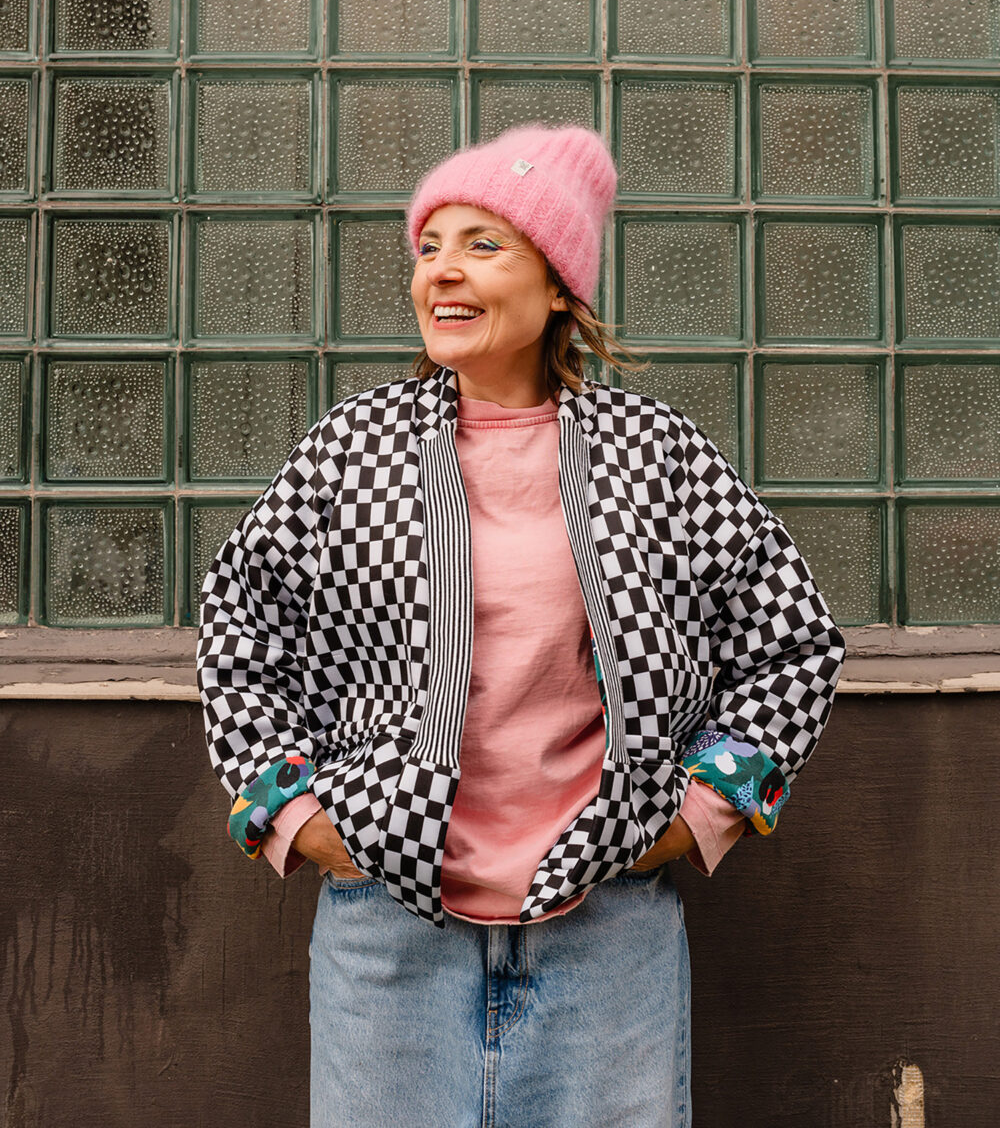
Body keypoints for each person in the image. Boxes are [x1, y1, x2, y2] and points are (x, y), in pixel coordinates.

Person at [197, 123, 845, 1128]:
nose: (442, 269)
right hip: (388, 932)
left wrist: (700, 814)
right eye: (429, 246)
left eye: (483, 244)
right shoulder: (351, 451)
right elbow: (240, 623)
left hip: (607, 936)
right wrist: (296, 818)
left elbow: (792, 642)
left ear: (557, 289)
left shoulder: (655, 456)